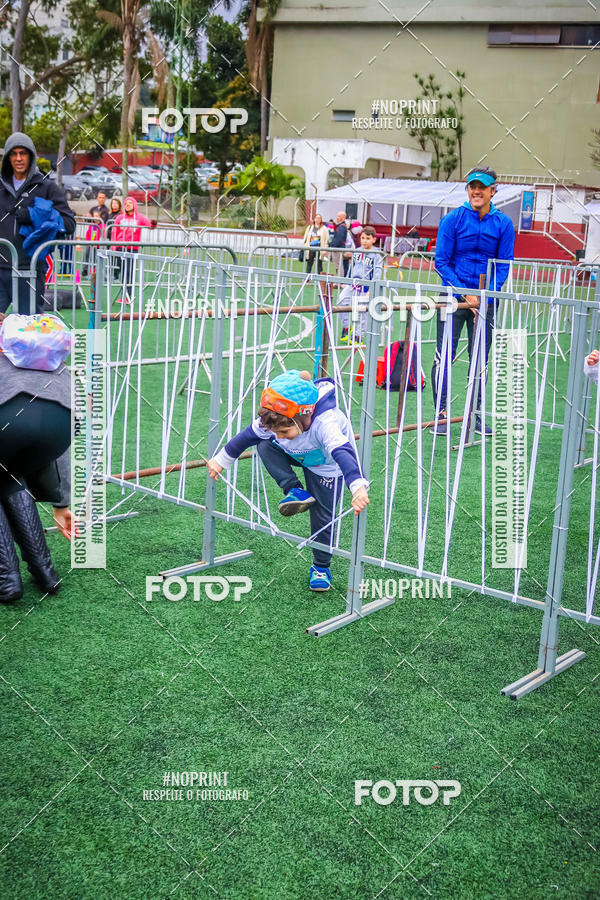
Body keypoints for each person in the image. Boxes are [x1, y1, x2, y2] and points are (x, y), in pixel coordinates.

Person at [207, 369, 369, 592]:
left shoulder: (325, 423)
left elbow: (343, 453)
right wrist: (220, 460)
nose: (279, 435)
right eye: (277, 431)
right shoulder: (272, 422)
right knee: (264, 443)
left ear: (304, 417)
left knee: (323, 516)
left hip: (326, 467)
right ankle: (295, 490)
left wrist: (358, 488)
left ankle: (321, 566)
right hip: (298, 455)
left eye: (284, 430)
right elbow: (245, 438)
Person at [431, 167, 515, 436]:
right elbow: (441, 262)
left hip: (486, 301)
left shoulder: (503, 223)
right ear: (468, 190)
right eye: (472, 186)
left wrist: (486, 296)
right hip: (452, 298)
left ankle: (475, 416)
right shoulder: (452, 219)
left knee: (480, 359)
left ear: (493, 190)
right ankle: (440, 415)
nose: (476, 191)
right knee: (443, 357)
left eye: (482, 187)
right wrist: (464, 294)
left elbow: (503, 265)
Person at [0, 313, 72, 602]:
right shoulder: (54, 363)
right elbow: (62, 452)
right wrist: (61, 503)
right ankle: (45, 572)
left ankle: (7, 582)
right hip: (63, 423)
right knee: (8, 479)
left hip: (10, 420)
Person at [0, 133, 75, 314]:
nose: (18, 158)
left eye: (23, 153)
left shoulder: (46, 187)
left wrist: (35, 216)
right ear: (8, 158)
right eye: (14, 153)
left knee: (28, 331)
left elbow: (69, 223)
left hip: (30, 271)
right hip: (0, 269)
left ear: (31, 156)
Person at [339, 226, 382, 344]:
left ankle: (358, 335)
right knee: (341, 300)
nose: (364, 241)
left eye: (368, 238)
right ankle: (347, 326)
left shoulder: (376, 255)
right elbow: (352, 267)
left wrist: (372, 288)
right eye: (362, 238)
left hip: (366, 287)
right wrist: (347, 280)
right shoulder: (357, 251)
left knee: (363, 311)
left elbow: (377, 272)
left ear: (374, 239)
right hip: (353, 284)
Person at [110, 195, 152, 304]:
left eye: (130, 203)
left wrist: (153, 224)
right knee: (122, 271)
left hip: (132, 248)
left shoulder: (140, 217)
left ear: (134, 205)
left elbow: (150, 225)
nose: (127, 205)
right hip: (120, 247)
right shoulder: (119, 218)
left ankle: (128, 295)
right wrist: (113, 247)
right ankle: (125, 295)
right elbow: (114, 232)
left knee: (129, 272)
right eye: (126, 203)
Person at [82, 209, 105, 278]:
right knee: (87, 256)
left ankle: (95, 272)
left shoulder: (102, 226)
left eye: (97, 216)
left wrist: (97, 244)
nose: (95, 217)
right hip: (90, 245)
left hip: (97, 246)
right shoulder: (91, 225)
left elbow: (102, 236)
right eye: (94, 216)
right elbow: (88, 234)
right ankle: (85, 270)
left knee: (95, 259)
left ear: (100, 217)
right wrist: (88, 242)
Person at [329, 211, 349, 277]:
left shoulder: (341, 227)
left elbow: (339, 238)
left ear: (343, 218)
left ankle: (340, 281)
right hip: (338, 248)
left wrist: (333, 245)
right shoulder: (341, 226)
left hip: (337, 249)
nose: (337, 218)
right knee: (338, 265)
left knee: (339, 266)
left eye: (339, 216)